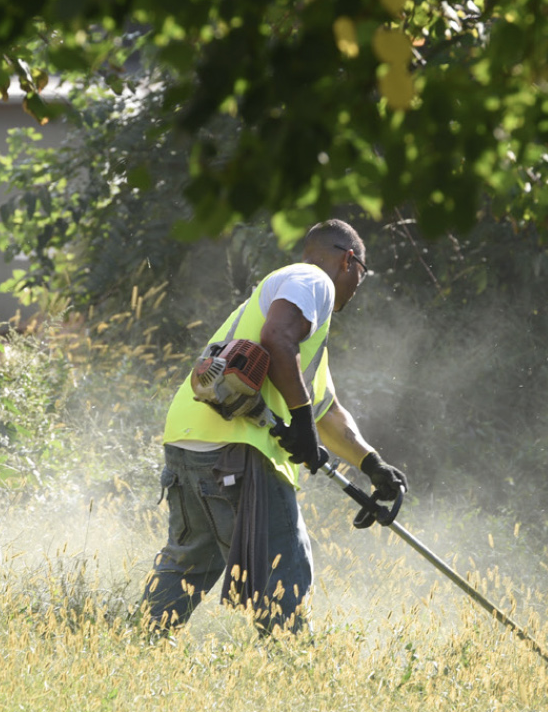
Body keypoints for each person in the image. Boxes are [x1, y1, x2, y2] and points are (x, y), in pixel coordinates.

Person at [135, 219, 407, 635]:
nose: (356, 288)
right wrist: (300, 423)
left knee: (187, 565)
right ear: (349, 261)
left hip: (188, 445)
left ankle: (135, 647)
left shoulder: (302, 329)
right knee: (286, 579)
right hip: (240, 455)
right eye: (362, 276)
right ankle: (293, 674)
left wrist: (371, 464)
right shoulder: (313, 279)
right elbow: (277, 339)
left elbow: (325, 411)